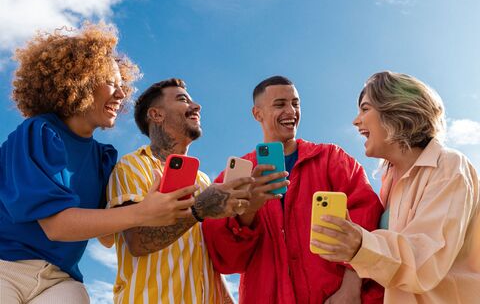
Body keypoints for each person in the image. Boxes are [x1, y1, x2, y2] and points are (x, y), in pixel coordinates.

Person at [0, 24, 198, 304]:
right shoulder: (38, 132)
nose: (120, 95)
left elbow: (106, 236)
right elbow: (56, 226)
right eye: (110, 83)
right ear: (77, 80)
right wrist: (143, 212)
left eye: (122, 86)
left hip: (59, 278)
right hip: (6, 266)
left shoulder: (103, 157)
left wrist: (159, 203)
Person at [202, 75, 384, 303]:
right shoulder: (234, 177)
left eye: (295, 103)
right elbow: (225, 260)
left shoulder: (332, 159)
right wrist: (248, 211)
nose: (291, 111)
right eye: (280, 104)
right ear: (257, 114)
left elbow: (369, 220)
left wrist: (351, 287)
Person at [106, 78, 287, 303]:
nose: (197, 106)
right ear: (156, 115)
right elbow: (137, 243)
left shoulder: (202, 180)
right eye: (183, 99)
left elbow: (204, 257)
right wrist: (199, 209)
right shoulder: (132, 166)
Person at [312, 71, 480, 303]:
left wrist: (361, 245)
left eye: (365, 109)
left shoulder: (450, 165)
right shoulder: (389, 181)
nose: (356, 120)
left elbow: (424, 261)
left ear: (395, 110)